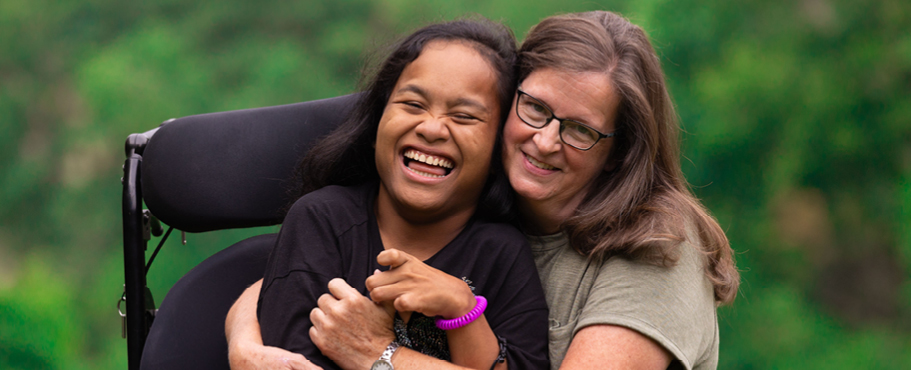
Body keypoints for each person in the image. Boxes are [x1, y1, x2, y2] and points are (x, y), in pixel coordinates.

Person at [227, 10, 739, 370]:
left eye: (580, 130)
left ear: (619, 152)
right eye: (535, 108)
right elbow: (292, 280)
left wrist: (378, 355)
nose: (544, 141)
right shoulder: (492, 206)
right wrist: (245, 340)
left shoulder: (655, 250)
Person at [252, 19, 550, 370]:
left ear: (499, 146)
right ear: (377, 121)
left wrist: (463, 310)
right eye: (412, 104)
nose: (432, 127)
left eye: (464, 116)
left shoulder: (503, 252)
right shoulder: (322, 222)